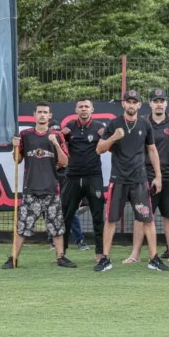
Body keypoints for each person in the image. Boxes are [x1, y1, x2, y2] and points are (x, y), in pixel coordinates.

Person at [94, 90, 168, 272]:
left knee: (147, 219)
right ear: (123, 104)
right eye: (128, 102)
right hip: (118, 179)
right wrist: (113, 137)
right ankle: (105, 258)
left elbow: (152, 151)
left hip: (139, 180)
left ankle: (154, 258)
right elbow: (99, 149)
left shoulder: (145, 124)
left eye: (135, 102)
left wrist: (158, 176)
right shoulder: (114, 124)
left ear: (139, 105)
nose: (131, 105)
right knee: (111, 219)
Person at [2, 102, 75, 269]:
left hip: (51, 189)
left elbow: (64, 163)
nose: (42, 115)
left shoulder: (57, 135)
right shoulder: (25, 135)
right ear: (34, 115)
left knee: (56, 226)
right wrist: (15, 147)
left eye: (45, 112)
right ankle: (13, 258)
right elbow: (17, 160)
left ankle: (61, 257)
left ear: (50, 115)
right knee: (22, 226)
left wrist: (56, 144)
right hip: (31, 190)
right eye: (39, 112)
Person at [127, 89, 169, 264]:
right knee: (142, 215)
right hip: (146, 175)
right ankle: (135, 254)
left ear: (166, 103)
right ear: (150, 104)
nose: (159, 104)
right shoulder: (142, 122)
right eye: (156, 101)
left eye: (162, 101)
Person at [59, 98, 106, 263]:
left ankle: (100, 253)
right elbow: (61, 148)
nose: (84, 109)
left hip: (93, 176)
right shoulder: (69, 127)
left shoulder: (100, 127)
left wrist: (105, 136)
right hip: (72, 176)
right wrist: (62, 136)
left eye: (87, 106)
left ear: (92, 109)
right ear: (76, 110)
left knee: (98, 216)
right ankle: (61, 253)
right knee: (65, 215)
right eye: (81, 107)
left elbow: (108, 147)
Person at [47, 114, 87, 252]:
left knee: (71, 210)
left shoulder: (66, 141)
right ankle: (52, 241)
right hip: (50, 178)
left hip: (65, 178)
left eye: (58, 131)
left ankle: (80, 240)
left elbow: (67, 160)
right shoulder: (44, 142)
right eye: (53, 131)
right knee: (51, 210)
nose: (55, 133)